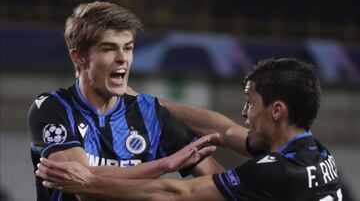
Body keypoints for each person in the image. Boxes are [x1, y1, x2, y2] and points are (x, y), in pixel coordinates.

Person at [37, 58, 343, 201]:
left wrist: (87, 183)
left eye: (250, 103)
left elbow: (173, 193)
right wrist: (145, 103)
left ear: (277, 110)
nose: (244, 113)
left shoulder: (274, 171)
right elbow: (224, 133)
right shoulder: (318, 154)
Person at [28, 1, 223, 201]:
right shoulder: (52, 107)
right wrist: (164, 165)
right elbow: (83, 185)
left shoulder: (150, 114)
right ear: (79, 57)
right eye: (108, 48)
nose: (123, 58)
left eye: (128, 48)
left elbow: (222, 184)